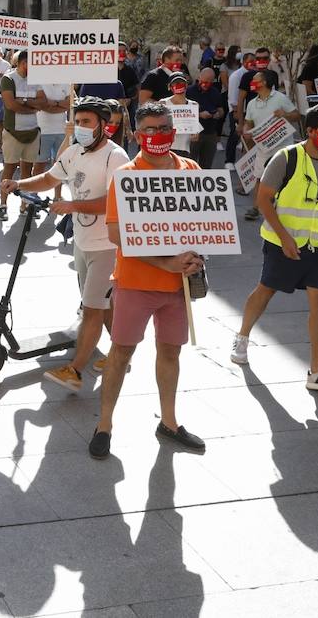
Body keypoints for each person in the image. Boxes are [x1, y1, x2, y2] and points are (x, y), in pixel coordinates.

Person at [89, 102, 207, 460]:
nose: (157, 135)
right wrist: (166, 263)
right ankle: (104, 425)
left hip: (178, 289)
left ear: (174, 128)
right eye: (150, 130)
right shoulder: (125, 175)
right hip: (136, 284)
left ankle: (169, 422)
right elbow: (117, 235)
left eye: (164, 127)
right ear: (138, 135)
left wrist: (195, 257)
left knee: (170, 352)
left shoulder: (192, 169)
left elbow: (207, 223)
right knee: (121, 354)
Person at [2, 97, 128, 389]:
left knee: (92, 308)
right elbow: (49, 178)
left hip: (106, 246)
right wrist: (19, 184)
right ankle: (120, 354)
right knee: (102, 304)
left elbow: (114, 202)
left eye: (86, 122)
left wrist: (74, 207)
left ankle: (75, 370)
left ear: (103, 125)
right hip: (83, 243)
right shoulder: (74, 152)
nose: (80, 127)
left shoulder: (116, 157)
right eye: (78, 121)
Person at [232, 105, 318, 391]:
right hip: (283, 243)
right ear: (310, 131)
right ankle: (243, 336)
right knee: (266, 290)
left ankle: (317, 370)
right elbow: (264, 200)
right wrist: (285, 237)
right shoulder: (286, 157)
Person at [240, 68, 300, 220]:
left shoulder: (280, 98)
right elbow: (249, 122)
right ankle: (256, 207)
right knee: (259, 177)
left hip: (282, 146)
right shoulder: (252, 103)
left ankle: (282, 208)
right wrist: (246, 130)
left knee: (285, 178)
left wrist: (285, 114)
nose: (252, 83)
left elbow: (297, 115)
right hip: (263, 147)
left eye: (255, 80)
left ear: (264, 82)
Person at [0, 51, 43, 221]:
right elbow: (10, 105)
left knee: (27, 171)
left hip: (33, 132)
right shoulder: (8, 79)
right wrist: (31, 106)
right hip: (13, 132)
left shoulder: (35, 79)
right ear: (24, 63)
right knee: (9, 169)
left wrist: (23, 101)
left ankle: (24, 204)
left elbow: (43, 101)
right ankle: (3, 205)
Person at [33, 80, 71, 191]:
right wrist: (62, 104)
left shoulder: (67, 83)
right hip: (43, 130)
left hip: (62, 131)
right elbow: (42, 105)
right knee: (39, 165)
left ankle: (57, 196)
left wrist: (54, 103)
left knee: (59, 166)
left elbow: (71, 103)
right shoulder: (40, 83)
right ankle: (34, 194)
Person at [191, 67, 225, 169]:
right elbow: (183, 111)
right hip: (194, 134)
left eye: (210, 82)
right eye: (204, 81)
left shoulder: (215, 92)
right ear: (199, 77)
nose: (206, 84)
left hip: (210, 133)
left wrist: (218, 114)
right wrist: (199, 114)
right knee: (190, 164)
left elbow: (221, 110)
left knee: (206, 165)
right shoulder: (189, 91)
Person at [226, 51, 256, 167]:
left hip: (249, 112)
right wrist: (237, 114)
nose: (252, 64)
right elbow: (233, 97)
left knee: (247, 138)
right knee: (234, 136)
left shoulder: (255, 74)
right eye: (249, 62)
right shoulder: (236, 76)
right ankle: (229, 161)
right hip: (238, 111)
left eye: (254, 62)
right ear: (243, 62)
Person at [160, 72, 195, 159]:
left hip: (184, 150)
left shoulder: (193, 105)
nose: (179, 85)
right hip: (166, 148)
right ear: (169, 87)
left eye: (181, 83)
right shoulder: (163, 103)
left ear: (186, 85)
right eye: (175, 83)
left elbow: (195, 135)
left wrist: (195, 134)